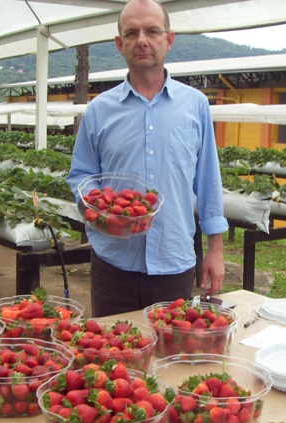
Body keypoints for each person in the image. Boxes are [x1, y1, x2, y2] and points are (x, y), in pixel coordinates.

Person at [66, 0, 228, 317]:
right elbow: (80, 176)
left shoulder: (195, 105)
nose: (142, 40)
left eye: (152, 30)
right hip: (113, 264)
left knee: (172, 358)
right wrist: (97, 209)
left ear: (169, 40)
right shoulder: (99, 110)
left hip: (174, 262)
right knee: (113, 356)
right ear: (119, 44)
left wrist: (216, 250)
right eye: (132, 32)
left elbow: (208, 180)